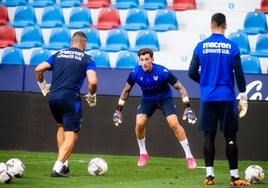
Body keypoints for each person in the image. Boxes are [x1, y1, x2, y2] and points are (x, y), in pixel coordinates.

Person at [188, 13, 250, 186]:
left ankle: (209, 177)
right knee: (230, 137)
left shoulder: (201, 46)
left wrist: (206, 82)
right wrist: (243, 96)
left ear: (211, 25)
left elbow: (192, 72)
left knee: (209, 136)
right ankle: (235, 178)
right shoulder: (233, 47)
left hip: (208, 98)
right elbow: (239, 73)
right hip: (227, 98)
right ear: (226, 25)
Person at [112, 47, 197, 169]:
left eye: (147, 59)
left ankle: (189, 156)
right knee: (139, 123)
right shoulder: (135, 73)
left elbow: (180, 88)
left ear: (152, 59)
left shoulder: (162, 72)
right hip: (148, 100)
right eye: (142, 60)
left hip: (165, 99)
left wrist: (187, 107)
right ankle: (143, 154)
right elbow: (126, 91)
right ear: (139, 61)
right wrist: (118, 110)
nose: (144, 63)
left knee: (173, 123)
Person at [35, 31, 98, 177]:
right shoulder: (88, 59)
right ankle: (57, 168)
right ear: (84, 44)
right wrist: (93, 96)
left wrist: (43, 86)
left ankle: (64, 163)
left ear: (71, 42)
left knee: (61, 126)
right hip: (70, 98)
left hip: (53, 97)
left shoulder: (58, 54)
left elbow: (38, 69)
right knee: (72, 135)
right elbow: (93, 81)